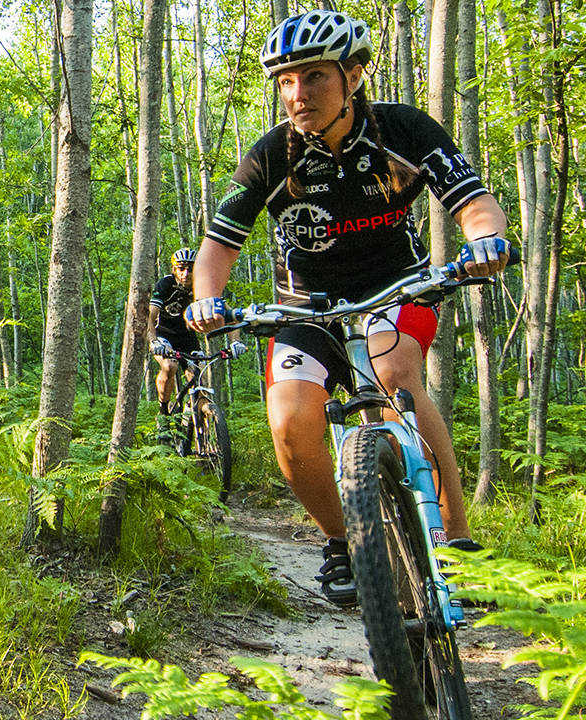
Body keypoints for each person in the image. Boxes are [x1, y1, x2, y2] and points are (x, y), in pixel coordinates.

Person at [183, 9, 510, 607]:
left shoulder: (404, 131)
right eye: (284, 80)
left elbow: (474, 201)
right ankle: (345, 540)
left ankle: (456, 543)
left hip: (399, 289)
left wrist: (484, 240)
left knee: (396, 377)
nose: (297, 93)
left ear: (353, 76)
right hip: (304, 308)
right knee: (288, 421)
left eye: (313, 77)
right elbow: (218, 246)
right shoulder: (269, 156)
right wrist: (206, 299)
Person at [149, 248, 202, 417]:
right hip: (164, 335)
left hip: (187, 338)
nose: (186, 273)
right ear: (174, 269)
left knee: (201, 372)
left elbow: (227, 314)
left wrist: (235, 342)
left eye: (190, 268)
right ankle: (163, 411)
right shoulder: (165, 284)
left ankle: (191, 412)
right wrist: (153, 341)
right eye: (181, 268)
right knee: (169, 366)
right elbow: (149, 318)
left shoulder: (201, 286)